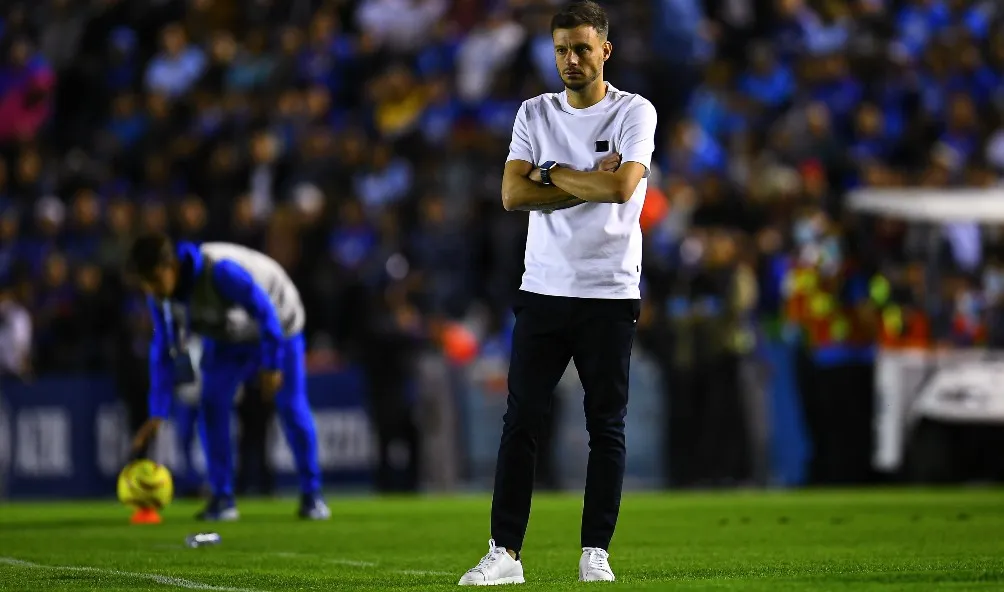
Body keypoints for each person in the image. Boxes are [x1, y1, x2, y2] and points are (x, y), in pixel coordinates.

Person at [458, 1, 657, 585]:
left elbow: (621, 188)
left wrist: (548, 172)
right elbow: (510, 196)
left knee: (606, 426)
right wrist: (578, 181)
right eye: (562, 50)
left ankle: (595, 551)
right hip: (543, 288)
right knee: (521, 421)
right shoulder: (534, 111)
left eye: (582, 49)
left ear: (606, 52)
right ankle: (505, 554)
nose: (571, 60)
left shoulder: (634, 111)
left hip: (609, 290)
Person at [128, 233, 330, 521]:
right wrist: (158, 412)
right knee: (211, 404)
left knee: (291, 405)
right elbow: (162, 350)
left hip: (279, 325)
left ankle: (313, 495)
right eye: (145, 284)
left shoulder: (220, 271)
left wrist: (272, 365)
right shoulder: (160, 296)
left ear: (169, 265)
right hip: (228, 336)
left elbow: (266, 313)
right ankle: (222, 498)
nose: (152, 290)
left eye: (154, 280)